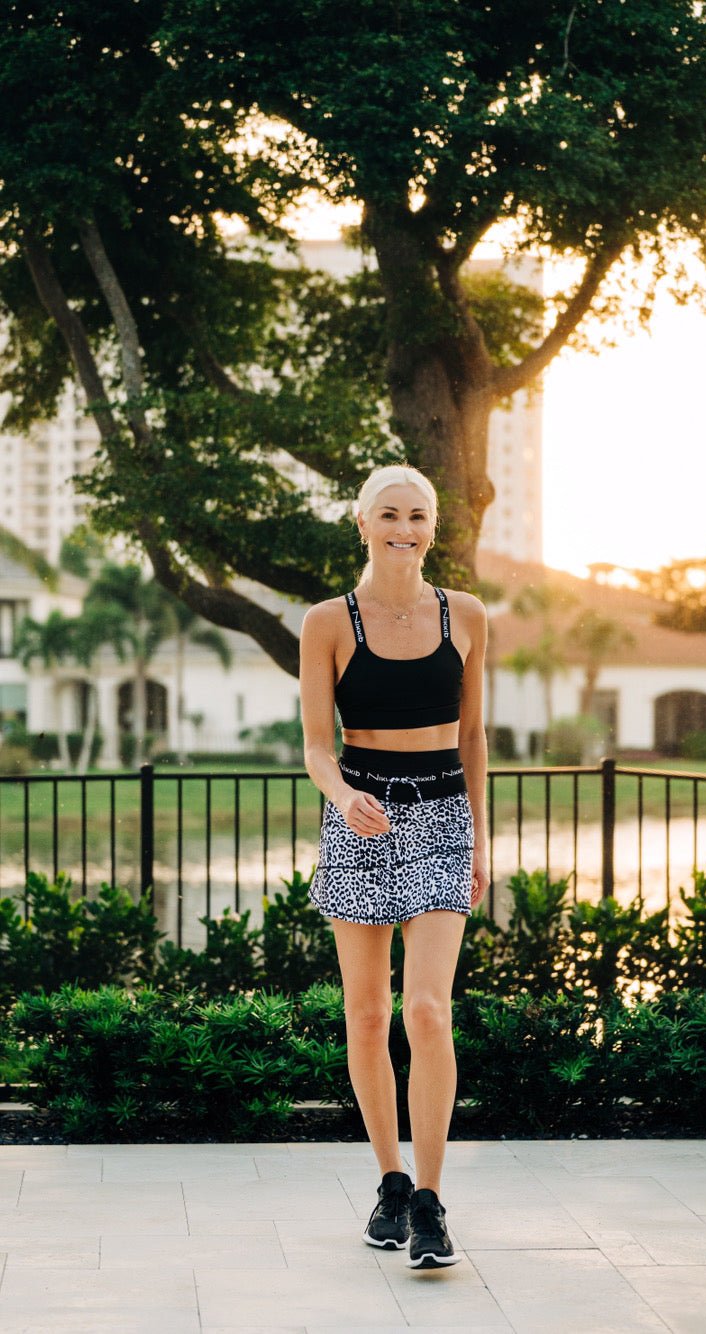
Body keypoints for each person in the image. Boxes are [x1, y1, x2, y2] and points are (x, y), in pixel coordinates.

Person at [300, 463, 489, 1270]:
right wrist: (343, 797)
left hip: (445, 817)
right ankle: (388, 1179)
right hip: (363, 819)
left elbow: (475, 736)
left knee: (428, 1011)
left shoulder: (468, 614)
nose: (402, 526)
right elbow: (315, 745)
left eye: (417, 514)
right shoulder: (327, 622)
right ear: (362, 523)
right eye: (388, 513)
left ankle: (431, 1204)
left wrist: (481, 841)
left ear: (433, 527)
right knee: (369, 1015)